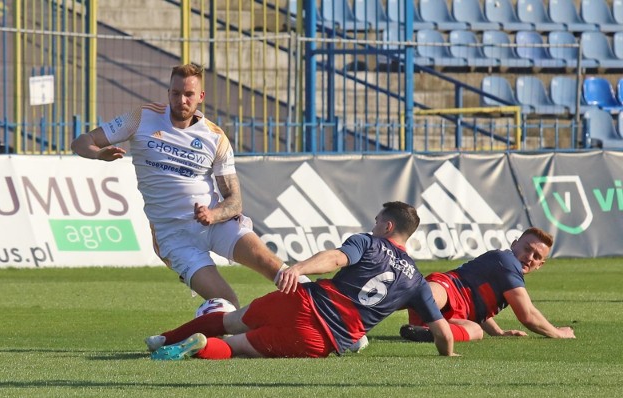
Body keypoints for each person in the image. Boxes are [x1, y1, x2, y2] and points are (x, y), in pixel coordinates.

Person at [70, 63, 304, 309]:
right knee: (227, 304)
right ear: (169, 92)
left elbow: (235, 202)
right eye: (175, 93)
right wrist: (98, 153)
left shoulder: (215, 137)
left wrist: (213, 214)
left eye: (189, 94)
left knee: (277, 269)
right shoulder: (142, 118)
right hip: (174, 237)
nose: (181, 100)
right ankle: (242, 338)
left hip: (216, 225)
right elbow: (81, 141)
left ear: (200, 97)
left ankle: (326, 316)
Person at [144, 202, 457, 360]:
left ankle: (163, 339)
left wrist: (298, 268)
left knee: (228, 320)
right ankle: (200, 348)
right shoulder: (416, 281)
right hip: (319, 337)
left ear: (387, 226)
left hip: (302, 299)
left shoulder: (368, 243)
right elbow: (443, 333)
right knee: (234, 346)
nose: (373, 226)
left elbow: (335, 258)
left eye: (376, 222)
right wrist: (449, 354)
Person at [399, 227, 576, 343]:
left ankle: (430, 333)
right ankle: (373, 313)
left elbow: (479, 305)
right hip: (448, 289)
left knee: (475, 330)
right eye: (527, 249)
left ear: (540, 265)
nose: (530, 257)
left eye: (537, 256)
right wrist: (558, 333)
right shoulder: (506, 260)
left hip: (452, 316)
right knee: (427, 294)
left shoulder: (509, 273)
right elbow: (527, 315)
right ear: (514, 245)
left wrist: (498, 332)